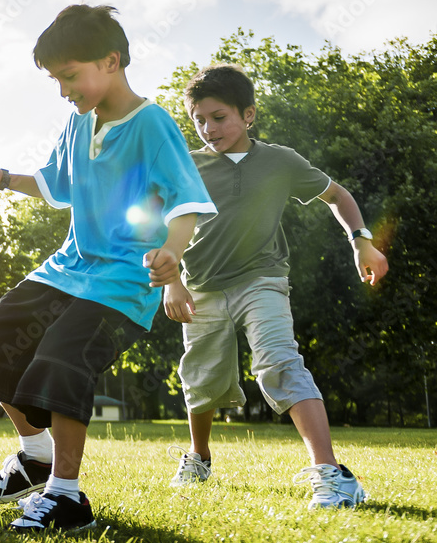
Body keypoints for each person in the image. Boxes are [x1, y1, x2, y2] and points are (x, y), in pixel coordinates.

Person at [0, 4, 216, 535]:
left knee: (61, 358)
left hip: (122, 282)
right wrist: (2, 177)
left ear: (111, 61)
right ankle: (36, 455)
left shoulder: (152, 125)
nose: (64, 89)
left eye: (69, 76)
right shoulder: (77, 121)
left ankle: (66, 496)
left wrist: (174, 252)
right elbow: (57, 184)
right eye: (56, 79)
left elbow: (186, 201)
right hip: (66, 269)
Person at [163, 63, 388, 508]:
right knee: (203, 378)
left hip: (262, 279)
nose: (209, 128)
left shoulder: (280, 161)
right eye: (199, 120)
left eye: (219, 117)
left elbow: (338, 195)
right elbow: (165, 226)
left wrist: (361, 241)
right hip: (201, 287)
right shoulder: (187, 167)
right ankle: (199, 456)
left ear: (248, 115)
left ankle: (331, 474)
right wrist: (171, 283)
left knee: (279, 362)